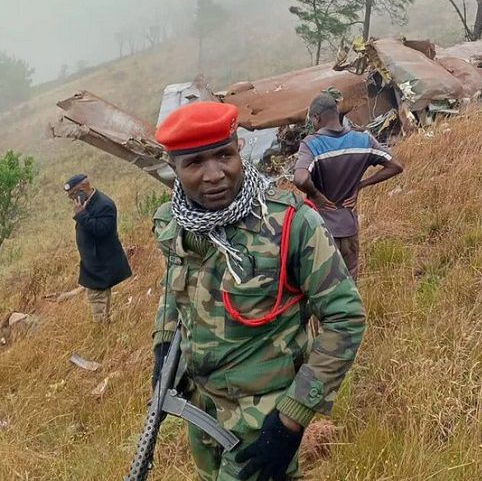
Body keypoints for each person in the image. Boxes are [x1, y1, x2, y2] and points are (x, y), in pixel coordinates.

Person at [151, 101, 366, 481]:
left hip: (263, 419)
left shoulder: (290, 223)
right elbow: (175, 284)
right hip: (202, 414)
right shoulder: (173, 222)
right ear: (174, 169)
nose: (215, 174)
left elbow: (345, 318)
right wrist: (164, 342)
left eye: (224, 155)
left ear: (239, 148)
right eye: (195, 163)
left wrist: (292, 419)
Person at [293, 94, 404, 280]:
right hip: (349, 227)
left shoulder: (312, 144)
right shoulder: (363, 141)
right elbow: (396, 166)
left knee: (323, 287)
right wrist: (360, 185)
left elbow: (301, 179)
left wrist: (316, 195)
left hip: (321, 231)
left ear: (316, 117)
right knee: (350, 285)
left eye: (311, 119)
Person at [64, 174, 132, 324]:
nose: (72, 199)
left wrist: (81, 214)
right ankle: (105, 325)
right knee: (100, 299)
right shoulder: (87, 203)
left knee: (97, 299)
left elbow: (101, 230)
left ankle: (101, 332)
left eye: (73, 195)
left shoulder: (104, 205)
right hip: (93, 262)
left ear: (82, 189)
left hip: (101, 263)